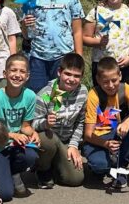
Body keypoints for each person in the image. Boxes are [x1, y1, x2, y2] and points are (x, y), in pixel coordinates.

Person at [81, 57, 129, 191]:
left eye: (114, 80)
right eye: (106, 82)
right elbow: (88, 134)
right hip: (98, 137)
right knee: (100, 167)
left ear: (120, 76)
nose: (111, 85)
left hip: (116, 131)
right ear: (98, 80)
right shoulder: (93, 95)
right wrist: (105, 144)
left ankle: (121, 165)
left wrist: (127, 122)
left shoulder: (125, 88)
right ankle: (105, 162)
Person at [20, 0, 84, 93]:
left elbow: (77, 31)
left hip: (63, 56)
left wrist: (78, 56)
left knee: (60, 93)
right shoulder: (32, 0)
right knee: (38, 93)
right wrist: (25, 24)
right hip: (38, 56)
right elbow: (26, 35)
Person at [0, 53, 39, 199]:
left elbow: (25, 126)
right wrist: (12, 135)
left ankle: (14, 173)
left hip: (16, 145)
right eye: (13, 70)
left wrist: (33, 133)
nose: (17, 75)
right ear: (5, 74)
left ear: (27, 76)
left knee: (32, 155)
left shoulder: (30, 96)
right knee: (5, 194)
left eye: (22, 71)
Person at [32, 52, 88, 189]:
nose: (71, 79)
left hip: (66, 141)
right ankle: (43, 169)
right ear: (59, 72)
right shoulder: (45, 94)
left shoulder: (83, 92)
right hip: (49, 138)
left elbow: (80, 122)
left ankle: (57, 167)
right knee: (46, 139)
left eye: (76, 76)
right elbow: (32, 124)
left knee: (76, 179)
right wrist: (45, 123)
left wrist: (74, 145)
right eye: (67, 74)